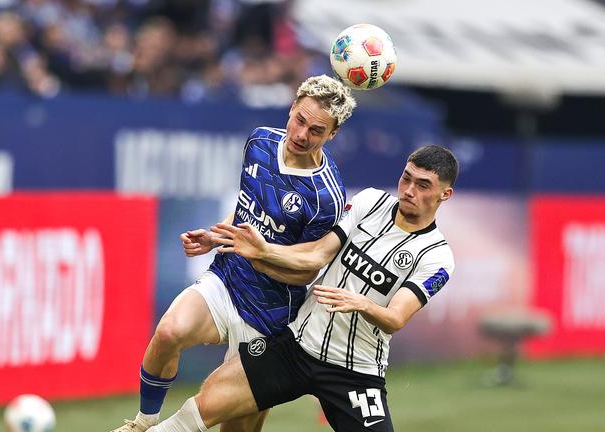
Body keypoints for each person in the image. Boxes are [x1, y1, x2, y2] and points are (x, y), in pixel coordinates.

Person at [146, 145, 459, 432]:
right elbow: (318, 253)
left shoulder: (437, 255)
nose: (409, 190)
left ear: (445, 194)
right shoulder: (370, 202)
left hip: (354, 372)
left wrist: (362, 303)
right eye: (407, 178)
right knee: (204, 408)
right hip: (296, 346)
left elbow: (395, 318)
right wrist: (262, 251)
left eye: (423, 185)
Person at [109, 74, 357, 432]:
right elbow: (245, 211)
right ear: (291, 108)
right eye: (299, 120)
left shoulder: (326, 196)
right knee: (168, 332)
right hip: (227, 280)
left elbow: (305, 271)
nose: (302, 134)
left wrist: (261, 252)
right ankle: (143, 422)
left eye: (316, 130)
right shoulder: (258, 142)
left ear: (332, 135)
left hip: (270, 317)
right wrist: (216, 236)